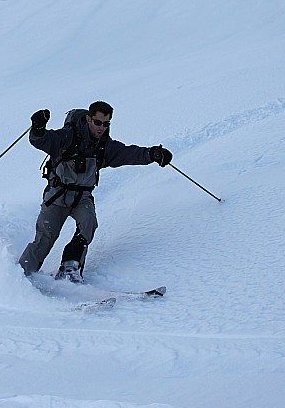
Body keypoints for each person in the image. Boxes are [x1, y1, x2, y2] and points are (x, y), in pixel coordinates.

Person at [18, 101, 172, 282]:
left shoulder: (104, 146)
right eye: (98, 122)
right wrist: (38, 128)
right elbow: (43, 140)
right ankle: (20, 276)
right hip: (57, 196)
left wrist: (152, 154)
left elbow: (129, 153)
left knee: (89, 224)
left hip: (82, 198)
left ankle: (69, 268)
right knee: (45, 238)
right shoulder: (67, 137)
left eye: (106, 124)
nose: (101, 128)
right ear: (88, 119)